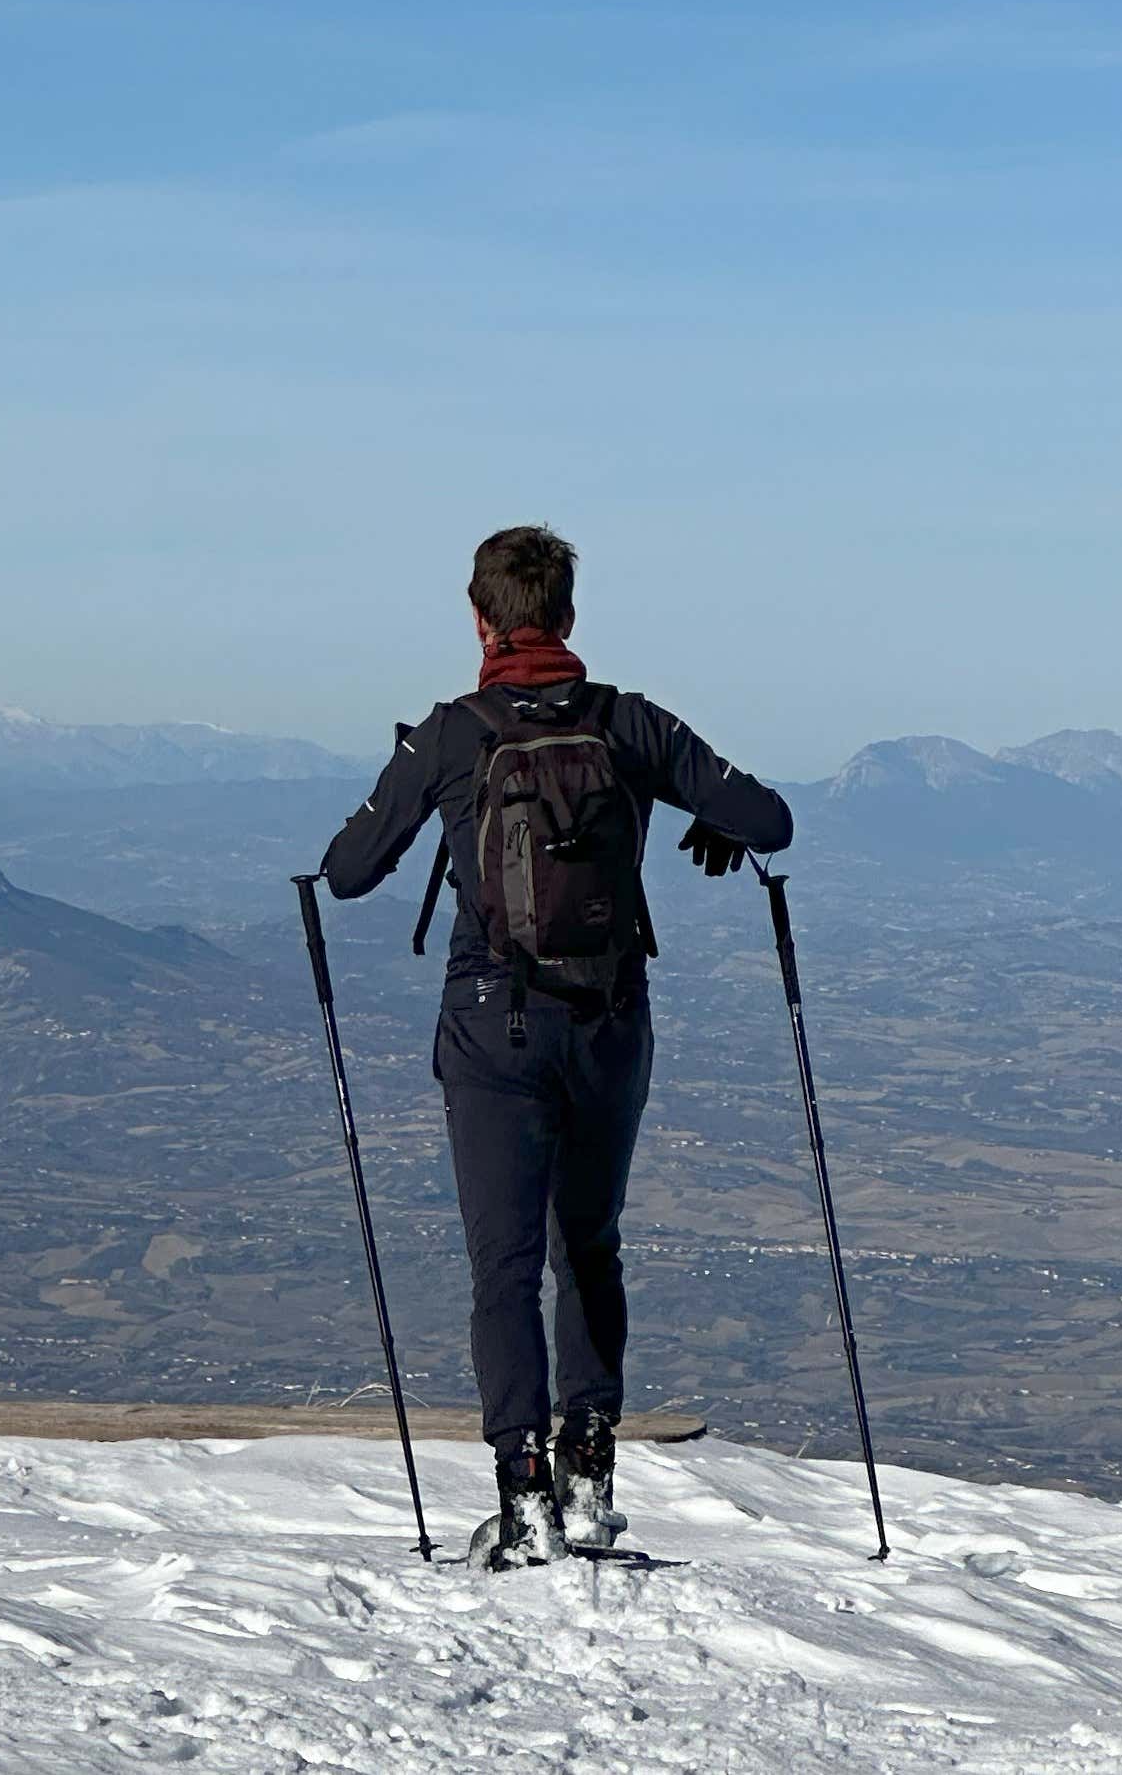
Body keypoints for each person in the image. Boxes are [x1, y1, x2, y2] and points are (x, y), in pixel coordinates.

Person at [319, 524, 791, 1568]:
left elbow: (348, 868)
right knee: (591, 1246)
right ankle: (589, 1466)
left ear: (480, 620)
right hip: (611, 1023)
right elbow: (770, 817)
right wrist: (717, 824)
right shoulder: (628, 725)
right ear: (568, 619)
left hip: (493, 1025)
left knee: (505, 1264)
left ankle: (521, 1489)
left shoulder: (451, 736)